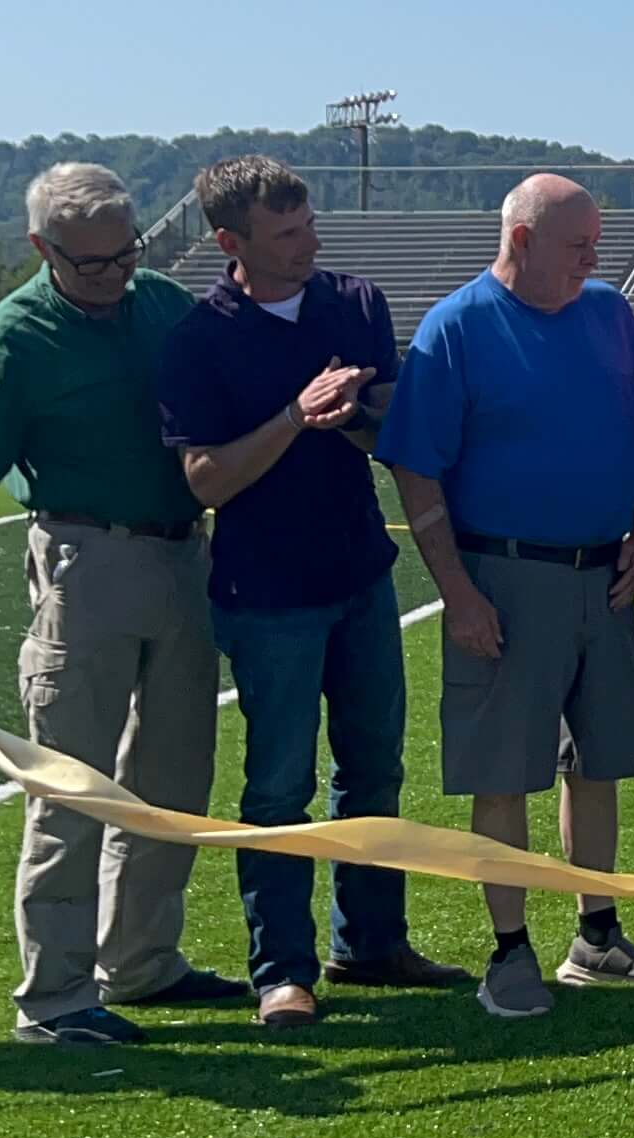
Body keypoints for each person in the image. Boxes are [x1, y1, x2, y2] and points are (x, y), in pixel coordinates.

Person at [0, 163, 246, 1044]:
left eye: (124, 254)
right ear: (42, 250)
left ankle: (141, 960)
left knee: (173, 778)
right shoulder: (14, 336)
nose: (112, 275)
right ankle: (54, 996)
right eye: (90, 263)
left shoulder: (164, 304)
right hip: (83, 560)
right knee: (71, 783)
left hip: (181, 557)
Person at [159, 156, 469, 1027]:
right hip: (266, 593)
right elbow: (206, 481)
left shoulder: (355, 303)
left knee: (374, 769)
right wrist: (297, 416)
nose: (310, 243)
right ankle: (281, 971)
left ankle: (372, 942)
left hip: (362, 573)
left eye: (309, 225)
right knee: (276, 790)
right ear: (231, 242)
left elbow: (393, 431)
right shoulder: (200, 337)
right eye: (287, 233)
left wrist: (358, 416)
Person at [378, 173, 634, 1017]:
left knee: (597, 764)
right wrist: (458, 593)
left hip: (604, 577)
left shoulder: (608, 314)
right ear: (519, 241)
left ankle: (597, 935)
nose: (596, 258)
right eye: (578, 245)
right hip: (504, 578)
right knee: (504, 771)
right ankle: (509, 951)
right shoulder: (457, 328)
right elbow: (416, 469)